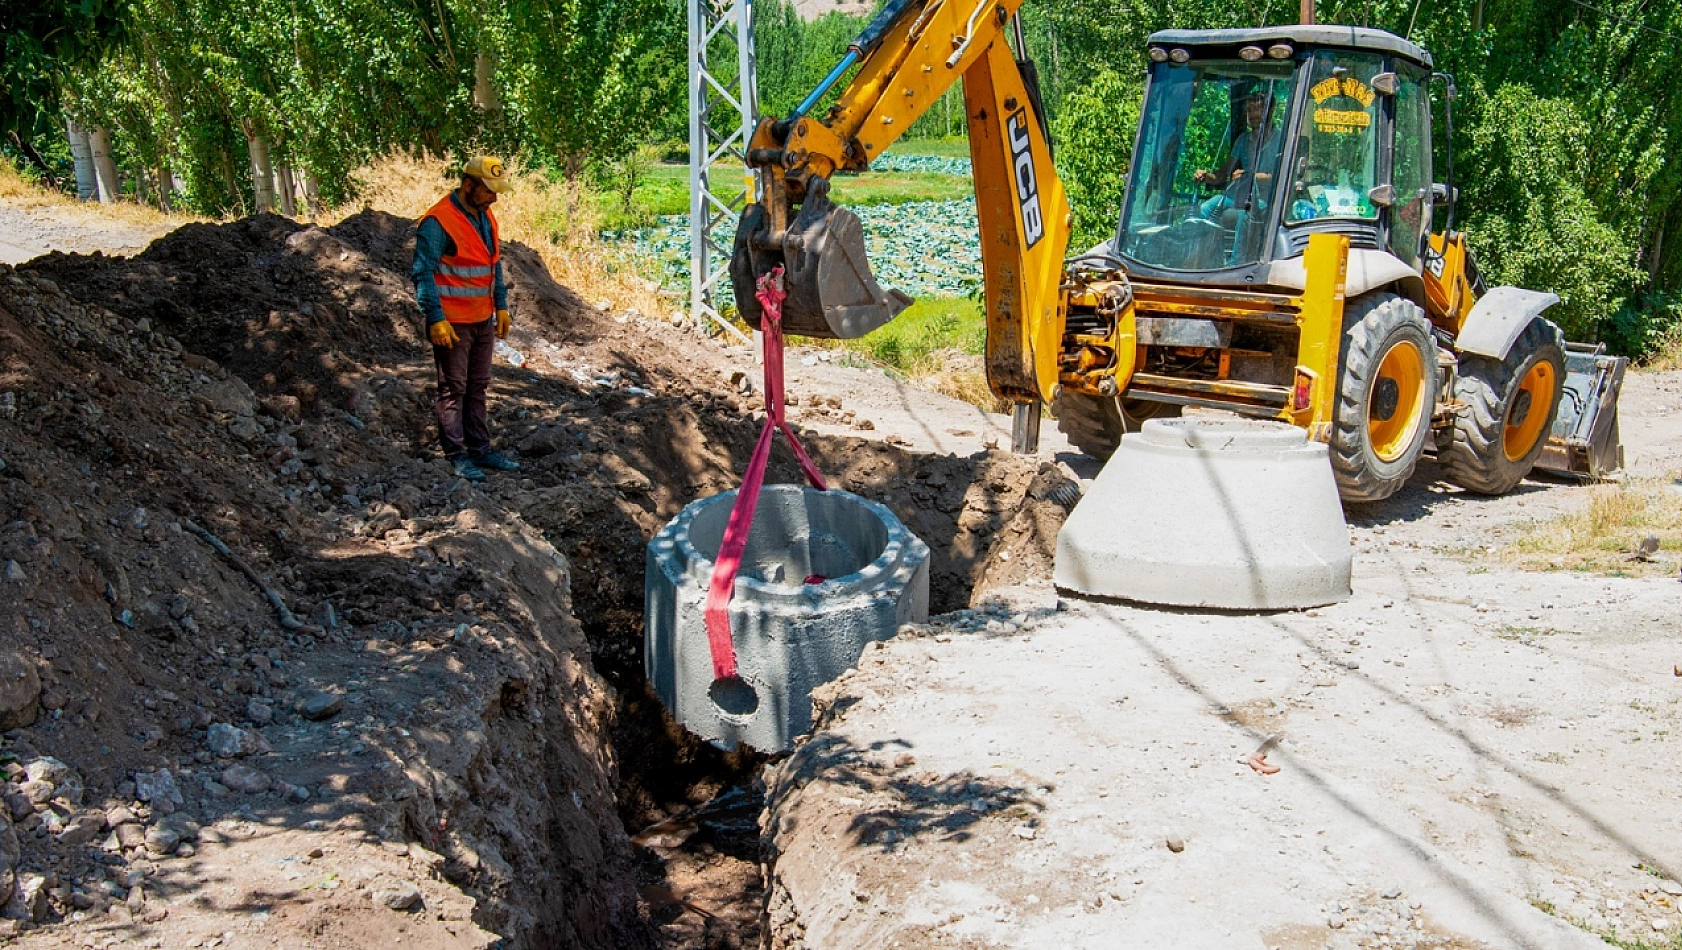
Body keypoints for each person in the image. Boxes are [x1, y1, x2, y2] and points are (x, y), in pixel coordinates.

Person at [412, 155, 521, 483]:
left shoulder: (487, 218)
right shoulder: (439, 222)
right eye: (489, 191)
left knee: (477, 387)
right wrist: (435, 318)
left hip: (481, 319)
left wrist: (500, 305)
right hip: (453, 323)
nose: (494, 197)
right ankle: (457, 455)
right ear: (469, 184)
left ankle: (481, 448)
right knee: (453, 388)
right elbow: (423, 272)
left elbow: (493, 264)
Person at [1195, 84, 1284, 222]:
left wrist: (1249, 177)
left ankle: (1239, 245)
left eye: (1258, 109)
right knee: (1204, 209)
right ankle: (1205, 243)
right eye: (1250, 110)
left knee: (1244, 216)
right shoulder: (1242, 140)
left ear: (1271, 110)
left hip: (1265, 200)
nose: (1253, 114)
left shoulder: (1280, 140)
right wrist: (1207, 176)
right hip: (1238, 196)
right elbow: (1223, 174)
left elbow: (1279, 177)